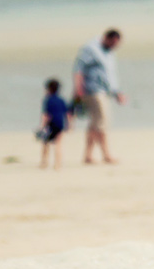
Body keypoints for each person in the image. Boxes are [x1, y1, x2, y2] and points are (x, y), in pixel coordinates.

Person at [73, 29, 126, 165]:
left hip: (105, 91)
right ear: (106, 38)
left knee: (95, 124)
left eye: (116, 44)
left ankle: (88, 155)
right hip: (92, 90)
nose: (114, 46)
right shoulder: (90, 49)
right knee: (102, 123)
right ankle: (106, 154)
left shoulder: (109, 52)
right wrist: (78, 90)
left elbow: (109, 74)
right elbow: (78, 69)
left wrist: (117, 92)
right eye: (113, 43)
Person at [37, 77, 70, 169]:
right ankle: (57, 164)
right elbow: (67, 113)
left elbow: (46, 115)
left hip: (50, 124)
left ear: (48, 89)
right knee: (58, 144)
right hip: (60, 124)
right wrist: (69, 125)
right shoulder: (62, 100)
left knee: (45, 143)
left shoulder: (48, 100)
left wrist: (42, 126)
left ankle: (44, 162)